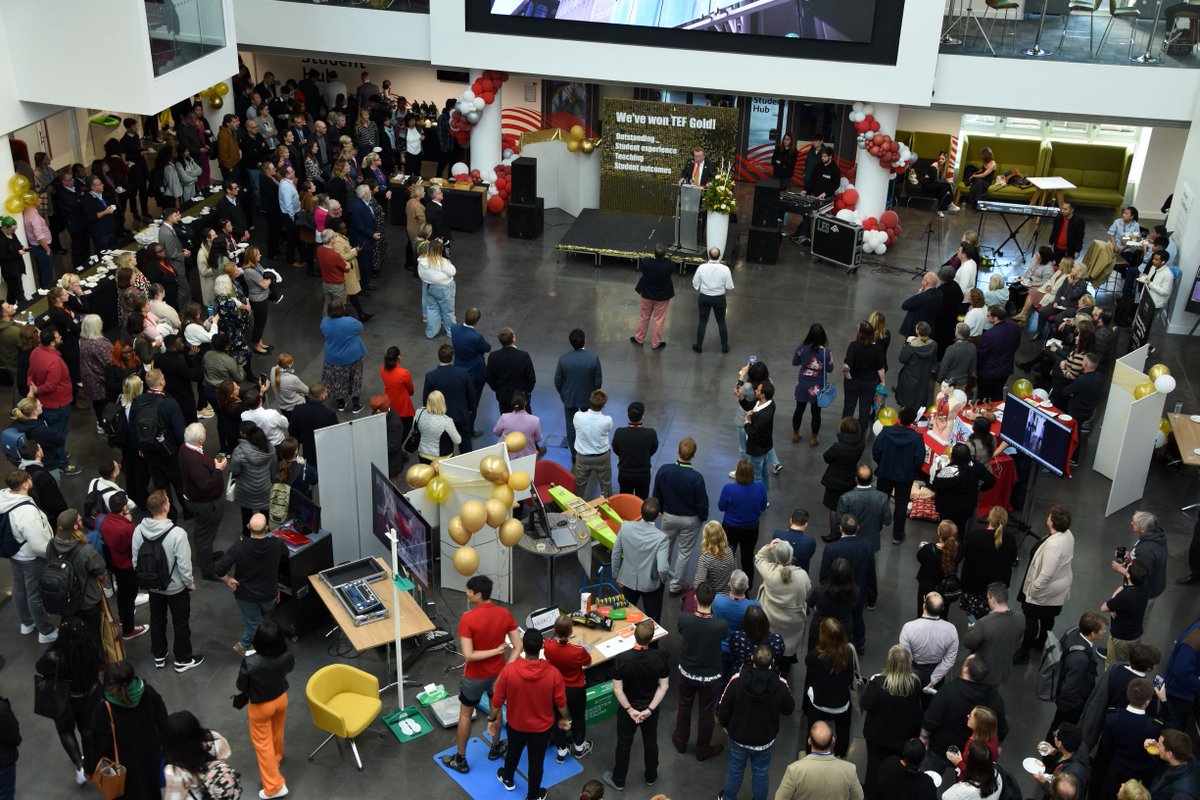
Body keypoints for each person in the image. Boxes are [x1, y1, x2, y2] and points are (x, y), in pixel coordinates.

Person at [441, 575, 520, 775]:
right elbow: (518, 646)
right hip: (497, 677)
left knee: (465, 714)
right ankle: (495, 749)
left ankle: (460, 759)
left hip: (474, 678)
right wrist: (505, 670)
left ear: (477, 594)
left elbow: (469, 655)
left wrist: (493, 652)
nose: (467, 594)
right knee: (497, 709)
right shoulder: (504, 614)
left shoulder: (468, 619)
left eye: (469, 591)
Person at [488, 629, 571, 800]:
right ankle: (533, 795)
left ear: (523, 648)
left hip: (516, 725)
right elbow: (561, 702)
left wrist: (492, 719)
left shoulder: (509, 671)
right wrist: (564, 718)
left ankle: (508, 777)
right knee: (536, 762)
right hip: (542, 729)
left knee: (513, 753)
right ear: (542, 646)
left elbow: (497, 699)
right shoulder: (553, 674)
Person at [132, 490, 204, 672]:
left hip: (153, 586)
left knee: (157, 620)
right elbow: (184, 565)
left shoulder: (139, 530)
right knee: (180, 622)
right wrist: (189, 584)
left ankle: (159, 655)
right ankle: (182, 659)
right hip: (175, 588)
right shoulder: (177, 533)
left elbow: (135, 560)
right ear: (165, 506)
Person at [717, 643, 796, 800]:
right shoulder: (780, 685)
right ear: (772, 661)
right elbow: (789, 709)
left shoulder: (736, 681)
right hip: (765, 739)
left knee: (735, 770)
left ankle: (727, 798)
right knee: (761, 772)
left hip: (738, 738)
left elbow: (723, 708)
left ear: (752, 658)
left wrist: (726, 726)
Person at [603, 621, 670, 792]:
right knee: (651, 741)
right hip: (650, 710)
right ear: (651, 638)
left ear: (634, 635)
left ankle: (619, 780)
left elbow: (617, 689)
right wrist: (649, 710)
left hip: (628, 711)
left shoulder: (622, 659)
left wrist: (629, 710)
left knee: (624, 744)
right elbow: (664, 686)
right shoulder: (660, 658)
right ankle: (651, 776)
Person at [85, 661, 168, 800]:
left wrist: (89, 768)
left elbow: (97, 746)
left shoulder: (104, 710)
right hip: (151, 759)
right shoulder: (148, 692)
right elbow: (164, 723)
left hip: (122, 769)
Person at [34, 616, 101, 786]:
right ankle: (90, 767)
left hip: (65, 700)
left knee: (65, 731)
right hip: (91, 695)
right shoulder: (92, 650)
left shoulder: (55, 657)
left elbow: (40, 667)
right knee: (87, 731)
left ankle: (80, 765)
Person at [920, 655, 1007, 777]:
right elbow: (1001, 731)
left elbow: (931, 720)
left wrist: (924, 738)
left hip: (941, 748)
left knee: (927, 778)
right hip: (972, 755)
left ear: (965, 669)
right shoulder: (995, 699)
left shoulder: (949, 691)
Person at [215, 511, 286, 656]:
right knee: (262, 621)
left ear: (248, 527)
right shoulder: (277, 544)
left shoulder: (238, 548)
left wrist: (228, 579)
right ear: (266, 528)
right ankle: (251, 646)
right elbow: (286, 554)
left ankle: (244, 645)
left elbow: (219, 569)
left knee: (255, 623)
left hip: (246, 596)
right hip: (269, 594)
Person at [673, 581, 728, 760]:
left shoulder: (684, 619)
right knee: (706, 711)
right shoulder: (720, 625)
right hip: (710, 677)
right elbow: (724, 637)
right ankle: (703, 748)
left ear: (695, 597)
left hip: (687, 671)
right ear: (713, 601)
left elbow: (681, 631)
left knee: (684, 705)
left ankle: (680, 742)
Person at [2, 469, 58, 644]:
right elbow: (38, 544)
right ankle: (46, 631)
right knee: (35, 595)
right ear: (25, 484)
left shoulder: (4, 498)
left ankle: (27, 622)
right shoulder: (26, 512)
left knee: (19, 588)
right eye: (29, 478)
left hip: (14, 553)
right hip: (31, 558)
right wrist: (50, 553)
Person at [1015, 505, 1076, 663]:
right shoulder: (1068, 534)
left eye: (1049, 516)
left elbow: (1046, 573)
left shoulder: (1053, 545)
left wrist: (1034, 589)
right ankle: (1041, 642)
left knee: (1032, 618)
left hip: (1045, 589)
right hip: (1058, 587)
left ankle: (1024, 653)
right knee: (1048, 616)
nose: (1047, 517)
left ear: (1052, 523)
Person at [862, 647, 924, 796]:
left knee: (874, 770)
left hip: (878, 737)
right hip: (902, 738)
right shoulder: (914, 684)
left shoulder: (879, 683)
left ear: (889, 662)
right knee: (898, 770)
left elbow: (866, 704)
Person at [1093, 679, 1169, 800]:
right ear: (1147, 702)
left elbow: (1107, 745)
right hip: (1141, 777)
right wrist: (1164, 701)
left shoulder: (1112, 717)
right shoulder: (1153, 727)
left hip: (1116, 770)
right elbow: (1175, 728)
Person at [652, 436, 708, 597]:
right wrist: (702, 517)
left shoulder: (664, 470)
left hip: (668, 517)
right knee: (684, 553)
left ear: (678, 451)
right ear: (693, 455)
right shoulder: (696, 478)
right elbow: (702, 504)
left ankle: (658, 578)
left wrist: (660, 510)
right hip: (690, 521)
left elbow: (657, 494)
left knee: (664, 548)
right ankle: (675, 586)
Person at [834, 466, 890, 604]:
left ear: (855, 479)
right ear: (872, 479)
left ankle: (846, 596)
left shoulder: (846, 498)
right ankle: (871, 600)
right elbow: (887, 521)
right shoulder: (882, 497)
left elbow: (838, 521)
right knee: (869, 570)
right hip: (871, 541)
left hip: (850, 540)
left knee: (847, 569)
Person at [754, 539, 810, 676]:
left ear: (776, 557)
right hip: (794, 622)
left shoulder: (770, 574)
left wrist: (769, 547)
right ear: (791, 556)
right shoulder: (802, 575)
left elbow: (759, 558)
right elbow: (807, 588)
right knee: (788, 649)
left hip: (771, 618)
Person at [1048, 612, 1108, 737]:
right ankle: (1051, 752)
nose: (1104, 631)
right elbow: (1069, 689)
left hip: (1066, 693)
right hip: (1069, 705)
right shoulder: (1080, 659)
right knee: (1061, 730)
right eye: (1102, 630)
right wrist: (1079, 705)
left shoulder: (1073, 631)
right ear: (1092, 633)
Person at [544, 616, 594, 763]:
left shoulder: (548, 645)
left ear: (554, 631)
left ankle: (561, 751)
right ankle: (579, 748)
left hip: (556, 689)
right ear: (571, 631)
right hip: (575, 690)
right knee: (578, 718)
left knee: (557, 719)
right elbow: (588, 661)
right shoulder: (578, 651)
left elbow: (544, 644)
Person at [819, 515, 874, 650]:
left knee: (834, 618)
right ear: (858, 528)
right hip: (858, 590)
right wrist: (872, 597)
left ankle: (831, 641)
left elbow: (824, 574)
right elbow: (871, 572)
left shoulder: (832, 548)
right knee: (857, 616)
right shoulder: (867, 546)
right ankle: (859, 643)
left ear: (840, 528)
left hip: (835, 591)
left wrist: (825, 589)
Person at [611, 497, 670, 622]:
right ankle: (652, 642)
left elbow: (615, 553)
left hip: (627, 580)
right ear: (658, 515)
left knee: (623, 615)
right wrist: (662, 580)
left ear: (640, 511)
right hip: (651, 584)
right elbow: (662, 568)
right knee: (652, 619)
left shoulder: (625, 527)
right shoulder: (662, 538)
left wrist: (616, 575)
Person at [804, 618, 855, 757]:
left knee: (812, 728)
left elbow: (808, 665)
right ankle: (839, 753)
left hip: (819, 703)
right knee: (843, 730)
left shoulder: (816, 655)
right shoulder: (849, 653)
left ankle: (810, 753)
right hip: (841, 703)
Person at [774, 721, 863, 800]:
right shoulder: (849, 769)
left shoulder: (794, 770)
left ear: (809, 741)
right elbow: (859, 797)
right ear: (833, 740)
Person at [961, 583, 1024, 687]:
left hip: (983, 672)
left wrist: (972, 627)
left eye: (988, 598)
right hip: (1003, 670)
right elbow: (1018, 637)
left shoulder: (983, 624)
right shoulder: (1020, 618)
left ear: (992, 599)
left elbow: (969, 643)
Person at [161, 711, 233, 800]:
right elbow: (226, 755)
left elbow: (174, 797)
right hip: (219, 790)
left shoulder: (175, 769)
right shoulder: (215, 738)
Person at [930, 445, 994, 542]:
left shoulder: (947, 472)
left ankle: (945, 549)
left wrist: (939, 470)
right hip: (966, 507)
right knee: (961, 531)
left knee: (946, 531)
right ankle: (959, 549)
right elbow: (991, 480)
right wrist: (980, 488)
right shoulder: (975, 466)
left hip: (948, 508)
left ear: (953, 457)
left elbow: (935, 486)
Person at [555, 329, 602, 459]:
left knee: (571, 425)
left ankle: (575, 454)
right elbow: (598, 382)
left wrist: (564, 393)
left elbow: (557, 381)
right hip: (588, 398)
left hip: (570, 397)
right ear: (584, 341)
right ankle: (588, 450)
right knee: (589, 423)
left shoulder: (564, 360)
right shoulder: (593, 358)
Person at [720, 460, 769, 582]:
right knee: (747, 557)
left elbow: (721, 507)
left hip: (730, 527)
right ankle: (747, 586)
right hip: (751, 528)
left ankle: (725, 582)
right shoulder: (760, 488)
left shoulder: (728, 489)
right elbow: (763, 507)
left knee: (727, 555)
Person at [900, 592, 959, 692]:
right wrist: (934, 680)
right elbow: (949, 660)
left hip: (914, 671)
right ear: (942, 609)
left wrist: (911, 674)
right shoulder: (951, 630)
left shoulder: (909, 628)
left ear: (923, 606)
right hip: (938, 671)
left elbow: (905, 656)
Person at [424, 343, 476, 454]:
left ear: (438, 357)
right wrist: (470, 409)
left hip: (441, 417)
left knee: (446, 446)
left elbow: (426, 399)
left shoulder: (431, 376)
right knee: (465, 442)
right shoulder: (463, 373)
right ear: (452, 357)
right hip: (461, 415)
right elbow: (471, 394)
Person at [1102, 560, 1151, 668]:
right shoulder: (1144, 585)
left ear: (1128, 575)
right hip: (1136, 633)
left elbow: (1104, 607)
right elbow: (1123, 587)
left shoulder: (1124, 597)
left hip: (1121, 638)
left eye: (1127, 567)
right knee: (1129, 658)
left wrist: (1113, 604)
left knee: (1115, 664)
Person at [792, 323, 835, 446]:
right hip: (818, 387)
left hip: (802, 385)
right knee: (816, 413)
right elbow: (830, 369)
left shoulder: (802, 347)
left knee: (799, 410)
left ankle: (795, 434)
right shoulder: (827, 352)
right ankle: (813, 438)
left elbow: (795, 362)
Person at [320, 299, 366, 414]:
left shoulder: (325, 322)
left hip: (333, 358)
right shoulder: (350, 322)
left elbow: (323, 332)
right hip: (352, 357)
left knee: (337, 380)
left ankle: (341, 403)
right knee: (355, 379)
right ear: (343, 309)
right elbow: (360, 328)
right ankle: (356, 405)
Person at [229, 421, 274, 534]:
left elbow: (235, 470)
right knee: (266, 512)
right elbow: (273, 465)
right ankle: (266, 533)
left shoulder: (239, 451)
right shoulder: (269, 447)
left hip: (245, 489)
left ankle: (247, 534)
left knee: (246, 514)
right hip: (265, 486)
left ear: (244, 434)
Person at [713, 570, 761, 675]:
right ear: (747, 586)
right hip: (741, 649)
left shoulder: (717, 600)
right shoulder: (753, 606)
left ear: (729, 584)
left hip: (720, 648)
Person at [842, 322, 886, 432]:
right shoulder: (877, 348)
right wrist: (883, 382)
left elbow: (847, 365)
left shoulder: (854, 346)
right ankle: (861, 429)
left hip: (853, 382)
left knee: (849, 405)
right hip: (869, 382)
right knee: (865, 407)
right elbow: (880, 368)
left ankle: (845, 427)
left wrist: (847, 374)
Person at [632, 244, 676, 350]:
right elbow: (670, 265)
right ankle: (656, 343)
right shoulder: (669, 265)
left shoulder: (646, 262)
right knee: (659, 320)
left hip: (646, 294)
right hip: (662, 296)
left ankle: (639, 338)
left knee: (644, 317)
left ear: (654, 253)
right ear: (664, 254)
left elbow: (646, 262)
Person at [612, 401, 659, 499]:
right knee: (641, 502)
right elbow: (653, 449)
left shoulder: (619, 433)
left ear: (627, 415)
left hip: (624, 474)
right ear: (642, 416)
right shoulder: (651, 433)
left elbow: (616, 449)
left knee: (625, 500)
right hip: (643, 475)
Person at [692, 246, 734, 354]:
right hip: (719, 298)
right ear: (720, 256)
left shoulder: (702, 267)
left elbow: (695, 283)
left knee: (702, 321)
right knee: (721, 322)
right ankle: (724, 347)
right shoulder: (725, 269)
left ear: (708, 255)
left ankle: (699, 346)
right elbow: (729, 286)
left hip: (704, 297)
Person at [485, 327, 536, 416]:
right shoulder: (523, 356)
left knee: (507, 422)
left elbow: (489, 377)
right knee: (523, 421)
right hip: (521, 396)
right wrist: (527, 391)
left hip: (503, 396)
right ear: (513, 338)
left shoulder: (493, 356)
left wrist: (497, 389)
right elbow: (531, 378)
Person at [418, 223, 457, 339]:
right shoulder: (442, 262)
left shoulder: (422, 260)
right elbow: (452, 272)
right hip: (445, 289)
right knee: (448, 311)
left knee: (432, 309)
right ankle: (451, 332)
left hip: (429, 287)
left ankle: (431, 332)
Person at [975, 306, 1021, 401]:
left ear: (995, 318)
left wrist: (975, 369)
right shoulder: (1015, 327)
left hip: (988, 373)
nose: (986, 317)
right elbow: (1016, 345)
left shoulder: (989, 335)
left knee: (983, 398)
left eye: (988, 316)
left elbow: (981, 355)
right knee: (998, 395)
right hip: (1005, 370)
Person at [573, 389, 613, 498]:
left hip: (583, 458)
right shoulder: (607, 420)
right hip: (602, 458)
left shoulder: (578, 416)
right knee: (606, 486)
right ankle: (607, 508)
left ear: (589, 401)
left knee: (579, 486)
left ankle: (578, 510)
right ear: (603, 405)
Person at [1147, 731, 1199, 800]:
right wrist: (1159, 754)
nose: (1156, 745)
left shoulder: (1181, 795)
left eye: (1159, 744)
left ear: (1169, 754)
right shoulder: (1187, 759)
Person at [896, 322, 937, 410]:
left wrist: (907, 343)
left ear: (918, 331)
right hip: (924, 377)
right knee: (919, 399)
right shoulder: (933, 345)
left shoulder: (911, 346)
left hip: (910, 376)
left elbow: (902, 359)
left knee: (907, 400)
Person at [693, 521, 736, 594]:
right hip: (729, 594)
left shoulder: (704, 559)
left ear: (706, 538)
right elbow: (733, 573)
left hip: (712, 597)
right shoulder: (730, 550)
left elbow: (698, 586)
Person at [899, 272, 943, 338]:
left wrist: (918, 294)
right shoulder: (939, 294)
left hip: (916, 329)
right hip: (928, 327)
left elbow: (905, 305)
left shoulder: (921, 298)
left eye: (923, 279)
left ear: (926, 283)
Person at [939, 323, 977, 389]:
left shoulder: (951, 349)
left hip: (949, 382)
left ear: (958, 333)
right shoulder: (973, 347)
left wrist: (939, 379)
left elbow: (944, 367)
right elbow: (972, 367)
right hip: (963, 382)